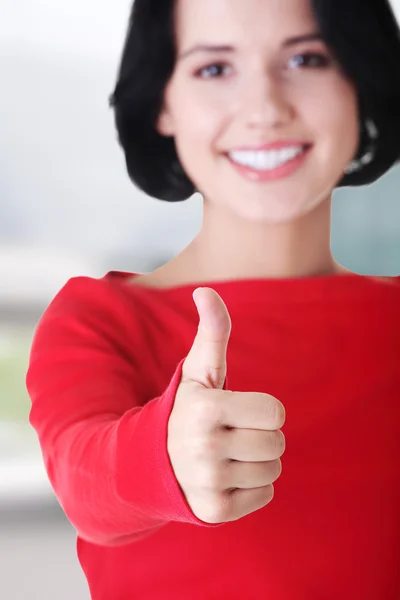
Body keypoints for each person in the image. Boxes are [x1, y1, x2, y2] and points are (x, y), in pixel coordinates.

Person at [26, 0, 400, 598]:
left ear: (363, 79)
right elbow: (82, 477)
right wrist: (160, 459)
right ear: (163, 104)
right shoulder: (100, 320)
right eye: (215, 69)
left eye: (307, 58)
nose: (265, 110)